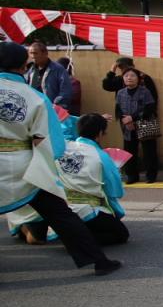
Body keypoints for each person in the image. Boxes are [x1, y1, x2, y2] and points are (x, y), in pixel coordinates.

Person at [0, 41, 120, 275]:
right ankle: (98, 261)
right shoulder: (34, 97)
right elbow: (53, 143)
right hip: (23, 166)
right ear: (24, 66)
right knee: (61, 214)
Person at [56, 113, 130, 245]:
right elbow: (115, 191)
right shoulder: (102, 156)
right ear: (100, 133)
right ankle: (81, 240)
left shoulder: (63, 148)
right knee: (121, 234)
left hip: (63, 210)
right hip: (90, 210)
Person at [115, 68, 159, 184]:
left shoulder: (145, 91)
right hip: (128, 126)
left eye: (132, 76)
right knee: (129, 150)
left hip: (144, 124)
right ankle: (131, 175)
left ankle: (151, 175)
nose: (129, 78)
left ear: (138, 79)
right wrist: (125, 119)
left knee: (149, 150)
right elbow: (118, 109)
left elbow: (150, 108)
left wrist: (133, 118)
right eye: (126, 76)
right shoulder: (120, 93)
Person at [24, 41, 73, 110]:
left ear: (45, 53)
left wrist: (55, 106)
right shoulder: (31, 70)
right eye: (31, 53)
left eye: (35, 53)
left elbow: (65, 91)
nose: (33, 56)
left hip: (52, 109)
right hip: (34, 109)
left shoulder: (58, 69)